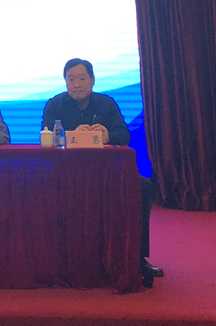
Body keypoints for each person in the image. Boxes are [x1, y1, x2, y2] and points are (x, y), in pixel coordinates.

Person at [42, 58, 163, 287]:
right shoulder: (55, 105)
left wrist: (107, 135)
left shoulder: (106, 104)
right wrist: (72, 136)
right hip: (66, 176)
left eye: (82, 78)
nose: (76, 84)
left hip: (105, 175)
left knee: (143, 186)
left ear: (93, 80)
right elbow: (46, 137)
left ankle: (138, 258)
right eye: (71, 79)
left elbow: (124, 135)